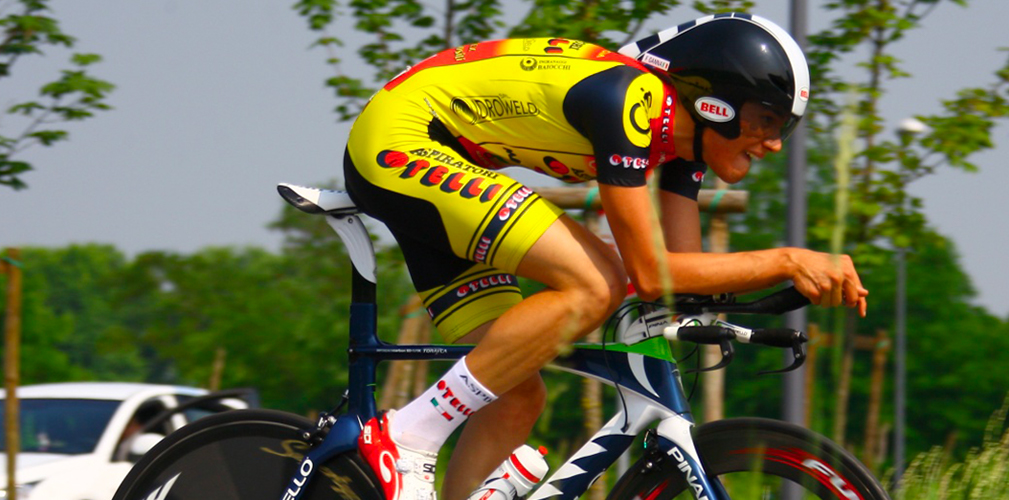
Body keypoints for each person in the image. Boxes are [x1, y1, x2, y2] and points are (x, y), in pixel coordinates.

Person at [344, 13, 868, 500]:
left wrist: (768, 299)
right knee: (596, 282)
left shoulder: (681, 149)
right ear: (717, 104)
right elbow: (650, 272)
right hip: (401, 142)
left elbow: (681, 279)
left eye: (782, 128)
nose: (774, 144)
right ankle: (407, 435)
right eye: (766, 120)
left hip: (436, 160)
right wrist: (790, 260)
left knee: (515, 396)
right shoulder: (630, 100)